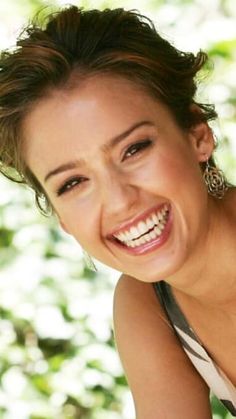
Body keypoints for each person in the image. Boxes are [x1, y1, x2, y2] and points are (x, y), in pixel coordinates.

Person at [0, 5, 235, 418]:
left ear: (197, 134)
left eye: (134, 149)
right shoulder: (146, 304)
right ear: (60, 217)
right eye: (72, 183)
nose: (121, 200)